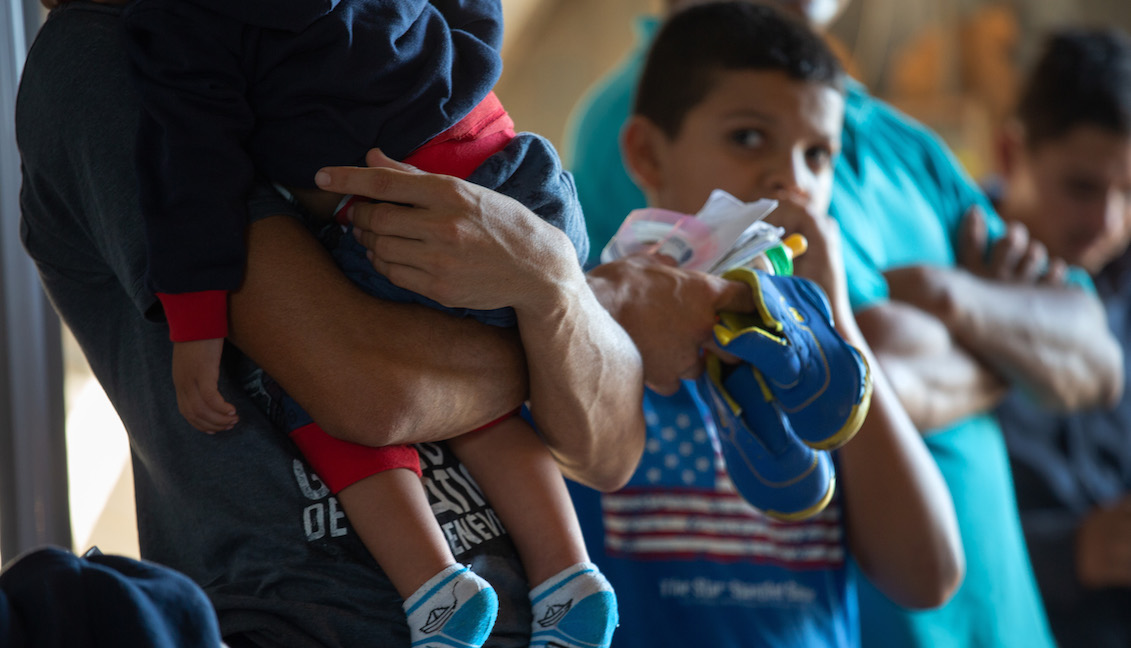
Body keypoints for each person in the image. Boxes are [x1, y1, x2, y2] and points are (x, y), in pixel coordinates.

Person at [17, 1, 668, 645]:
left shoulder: (384, 30)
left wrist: (549, 277)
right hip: (312, 622)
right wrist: (552, 315)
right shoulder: (107, 57)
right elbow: (373, 394)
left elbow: (609, 450)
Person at [565, 1, 1124, 646]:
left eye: (819, 157)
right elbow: (872, 358)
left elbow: (1091, 355)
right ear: (646, 155)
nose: (792, 179)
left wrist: (911, 306)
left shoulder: (889, 136)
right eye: (748, 138)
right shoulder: (658, 100)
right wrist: (998, 350)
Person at [990, 27, 1131, 648]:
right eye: (1082, 187)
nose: (1108, 221)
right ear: (1007, 154)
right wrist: (1077, 552)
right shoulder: (945, 289)